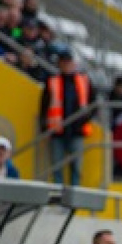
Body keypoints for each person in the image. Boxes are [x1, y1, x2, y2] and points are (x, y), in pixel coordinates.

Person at [40, 49, 97, 186]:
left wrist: (85, 119)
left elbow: (94, 104)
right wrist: (44, 127)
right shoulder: (52, 81)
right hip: (57, 131)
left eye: (69, 62)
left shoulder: (84, 81)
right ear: (60, 64)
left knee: (76, 167)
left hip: (77, 130)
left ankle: (73, 199)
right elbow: (43, 106)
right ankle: (58, 197)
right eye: (64, 62)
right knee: (57, 166)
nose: (66, 65)